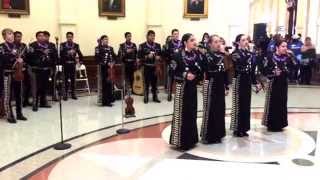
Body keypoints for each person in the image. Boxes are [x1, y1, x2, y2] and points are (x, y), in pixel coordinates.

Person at [170, 33, 202, 150]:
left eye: (195, 40)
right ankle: (181, 141)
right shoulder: (177, 55)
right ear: (185, 42)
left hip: (192, 88)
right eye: (192, 40)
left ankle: (191, 140)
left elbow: (200, 70)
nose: (195, 42)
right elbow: (172, 72)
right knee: (182, 114)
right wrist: (184, 74)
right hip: (182, 88)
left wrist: (197, 76)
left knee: (192, 113)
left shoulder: (197, 55)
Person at [230, 34, 260, 137]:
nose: (246, 42)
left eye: (247, 40)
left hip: (247, 80)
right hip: (239, 80)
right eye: (243, 40)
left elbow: (252, 70)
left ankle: (244, 127)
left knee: (246, 104)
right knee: (239, 104)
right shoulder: (235, 53)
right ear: (238, 42)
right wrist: (250, 56)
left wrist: (255, 82)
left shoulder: (250, 53)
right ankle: (237, 128)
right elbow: (240, 66)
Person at [200, 35, 229, 144]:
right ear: (210, 44)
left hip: (220, 84)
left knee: (220, 109)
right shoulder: (207, 55)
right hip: (211, 84)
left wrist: (226, 86)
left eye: (219, 42)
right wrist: (222, 54)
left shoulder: (222, 55)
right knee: (211, 109)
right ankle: (209, 135)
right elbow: (211, 68)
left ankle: (219, 133)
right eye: (216, 42)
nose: (218, 44)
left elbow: (224, 71)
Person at [262, 40, 294, 132]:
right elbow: (264, 70)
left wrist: (292, 56)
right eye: (283, 46)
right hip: (273, 83)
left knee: (282, 102)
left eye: (286, 46)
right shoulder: (270, 57)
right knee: (273, 103)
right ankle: (271, 124)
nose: (285, 48)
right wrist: (273, 73)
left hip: (283, 83)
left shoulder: (287, 57)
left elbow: (294, 67)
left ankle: (280, 124)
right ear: (277, 47)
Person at [0, 28, 27, 123]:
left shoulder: (18, 47)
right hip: (7, 74)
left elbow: (23, 57)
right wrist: (12, 58)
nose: (11, 36)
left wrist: (21, 60)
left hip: (18, 73)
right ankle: (9, 115)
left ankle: (19, 113)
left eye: (11, 34)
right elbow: (2, 60)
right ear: (4, 36)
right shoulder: (2, 47)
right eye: (8, 34)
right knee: (8, 96)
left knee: (19, 94)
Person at [27, 31, 54, 111]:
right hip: (36, 70)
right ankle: (35, 103)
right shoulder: (32, 46)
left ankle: (43, 102)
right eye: (40, 36)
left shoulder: (49, 46)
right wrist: (42, 54)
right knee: (36, 88)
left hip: (46, 70)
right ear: (37, 37)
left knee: (44, 87)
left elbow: (53, 56)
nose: (42, 37)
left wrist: (51, 65)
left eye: (43, 36)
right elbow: (29, 58)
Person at [138, 30, 162, 104]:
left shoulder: (158, 45)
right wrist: (147, 56)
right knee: (146, 83)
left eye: (153, 36)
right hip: (146, 67)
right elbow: (139, 57)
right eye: (151, 35)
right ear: (147, 36)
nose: (152, 37)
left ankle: (155, 97)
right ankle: (146, 97)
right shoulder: (142, 46)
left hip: (155, 67)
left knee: (155, 83)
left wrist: (159, 57)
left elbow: (161, 56)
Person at [60, 32, 84, 100]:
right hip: (65, 64)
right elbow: (61, 55)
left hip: (73, 65)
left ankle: (73, 94)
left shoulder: (76, 45)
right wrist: (68, 52)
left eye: (71, 36)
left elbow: (81, 55)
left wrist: (80, 62)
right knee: (65, 80)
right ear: (66, 37)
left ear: (73, 37)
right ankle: (65, 94)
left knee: (73, 80)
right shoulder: (63, 45)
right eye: (68, 37)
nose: (69, 38)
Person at [95, 35, 116, 107]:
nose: (106, 40)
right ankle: (105, 101)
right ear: (101, 41)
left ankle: (110, 99)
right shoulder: (98, 48)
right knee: (105, 85)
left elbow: (115, 57)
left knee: (110, 85)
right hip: (103, 69)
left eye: (107, 39)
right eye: (104, 39)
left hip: (111, 69)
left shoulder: (111, 48)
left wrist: (113, 63)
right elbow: (97, 59)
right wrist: (106, 64)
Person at [14, 31, 31, 107]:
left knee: (28, 85)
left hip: (24, 68)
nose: (19, 38)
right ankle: (18, 101)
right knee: (17, 86)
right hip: (16, 69)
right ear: (14, 37)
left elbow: (27, 56)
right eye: (17, 36)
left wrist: (25, 61)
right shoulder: (12, 46)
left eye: (20, 36)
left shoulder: (23, 45)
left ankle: (25, 100)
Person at [166, 29, 182, 101]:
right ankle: (169, 95)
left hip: (180, 65)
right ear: (172, 35)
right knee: (170, 79)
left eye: (177, 34)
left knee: (179, 79)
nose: (176, 35)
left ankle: (179, 94)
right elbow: (166, 54)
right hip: (172, 64)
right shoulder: (169, 43)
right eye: (174, 34)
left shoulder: (181, 43)